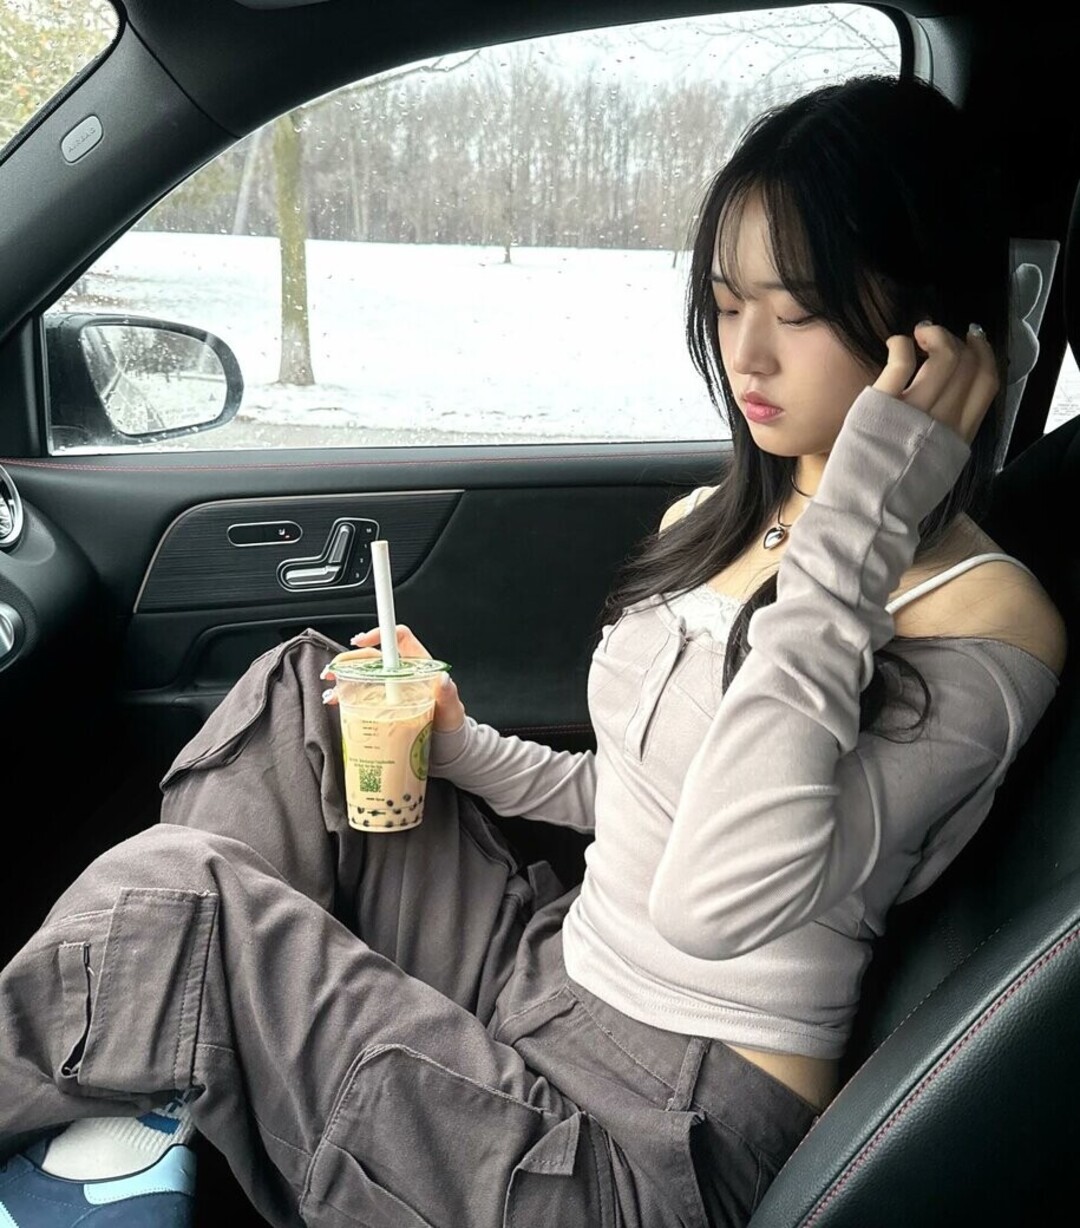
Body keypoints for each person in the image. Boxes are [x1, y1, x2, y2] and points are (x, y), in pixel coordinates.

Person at [0, 74, 1067, 1228]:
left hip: (652, 1141)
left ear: (928, 328)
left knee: (187, 902)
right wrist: (465, 747)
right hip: (546, 973)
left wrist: (857, 528)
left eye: (799, 312)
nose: (747, 354)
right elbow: (643, 799)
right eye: (724, 305)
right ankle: (154, 1079)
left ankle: (143, 1065)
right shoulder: (719, 520)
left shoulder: (987, 618)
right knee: (309, 693)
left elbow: (712, 897)